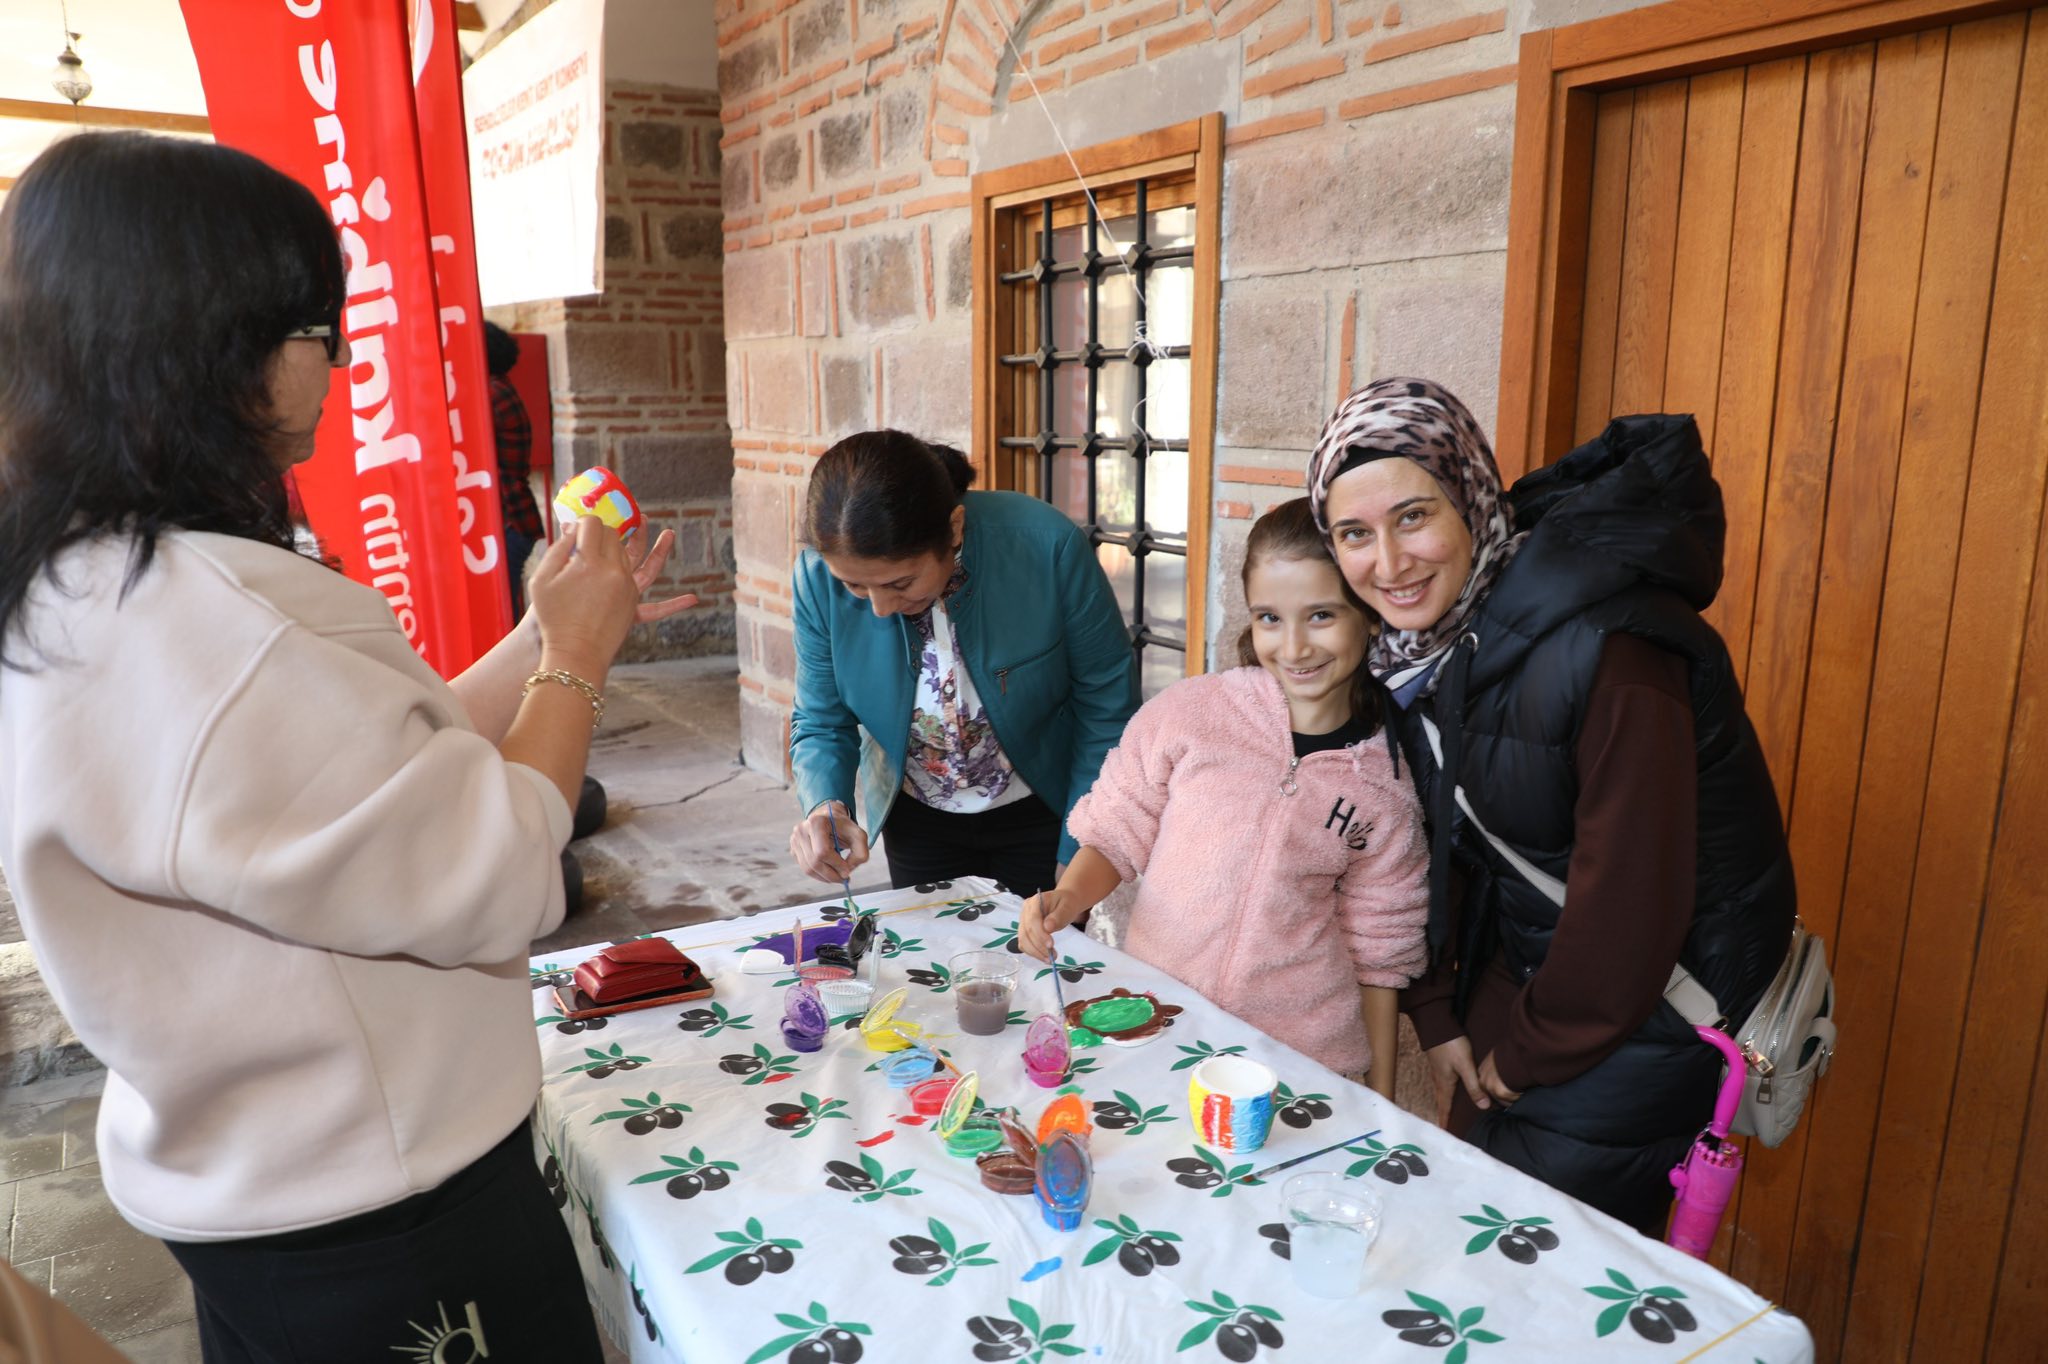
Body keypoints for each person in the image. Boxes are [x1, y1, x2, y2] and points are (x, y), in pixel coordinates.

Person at [0, 132, 693, 1362]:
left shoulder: (91, 580)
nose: (333, 361)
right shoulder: (207, 627)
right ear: (210, 348)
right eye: (316, 327)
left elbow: (390, 762)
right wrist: (573, 667)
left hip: (266, 1183)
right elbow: (502, 873)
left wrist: (546, 628)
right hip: (383, 1208)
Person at [1305, 376, 1795, 1233]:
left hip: (1649, 1016)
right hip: (1538, 988)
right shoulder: (1425, 649)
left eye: (1413, 516)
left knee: (1519, 1274)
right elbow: (1441, 845)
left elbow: (1632, 911)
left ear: (1472, 500)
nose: (1387, 563)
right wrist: (1440, 1010)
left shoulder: (1613, 648)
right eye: (1354, 534)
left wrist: (1526, 1051)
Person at [1018, 498, 1429, 1092]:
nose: (1293, 647)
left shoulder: (1385, 784)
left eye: (1321, 616)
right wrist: (1067, 897)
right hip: (1158, 1029)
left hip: (1296, 1062)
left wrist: (1382, 1101)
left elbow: (1381, 953)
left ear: (1369, 616)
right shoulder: (1188, 717)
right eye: (1269, 618)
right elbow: (1115, 832)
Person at [788, 429, 1139, 897]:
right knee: (931, 962)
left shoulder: (1047, 546)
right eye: (855, 587)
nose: (879, 607)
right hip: (917, 816)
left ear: (953, 529)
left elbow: (1107, 706)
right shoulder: (816, 577)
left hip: (1045, 808)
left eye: (900, 582)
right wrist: (825, 806)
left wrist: (1080, 849)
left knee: (1041, 961)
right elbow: (820, 719)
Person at [484, 320, 544, 616]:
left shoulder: (492, 394)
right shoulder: (497, 388)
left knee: (503, 613)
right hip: (512, 519)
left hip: (510, 520)